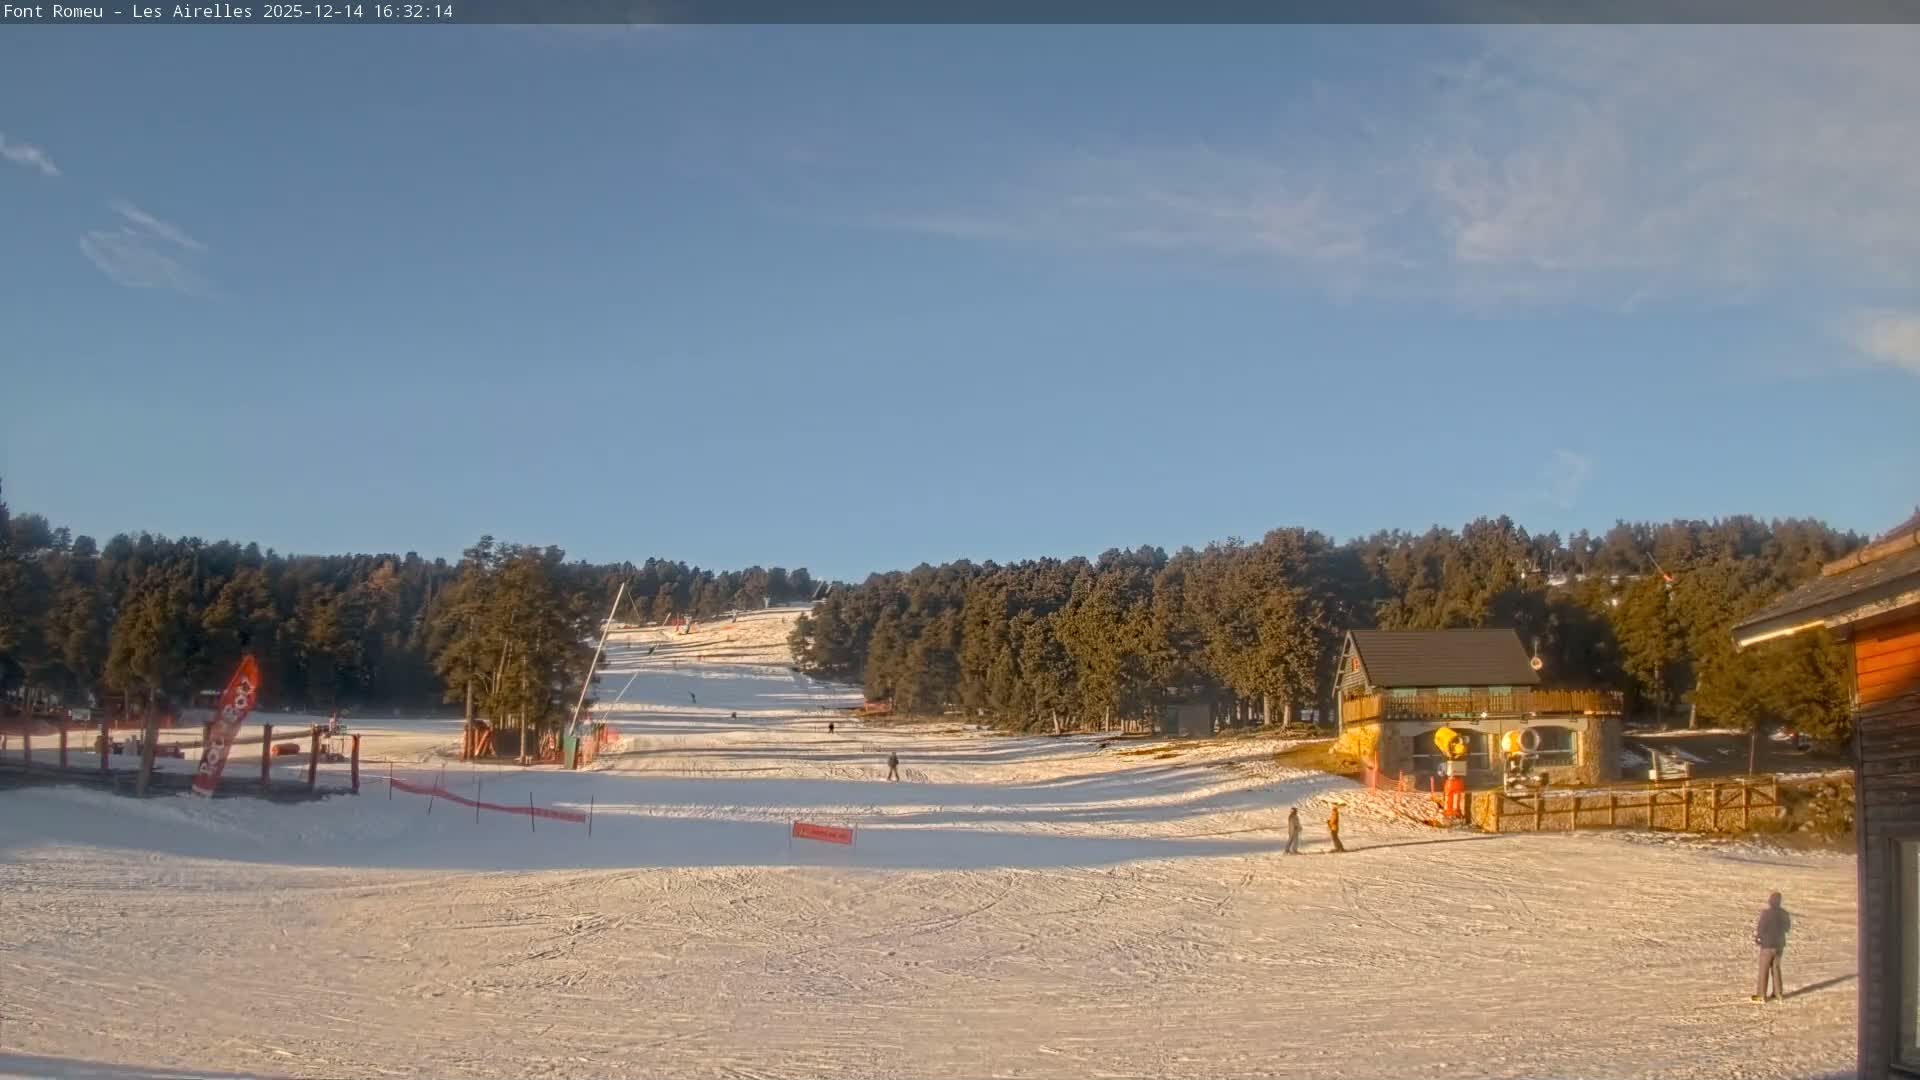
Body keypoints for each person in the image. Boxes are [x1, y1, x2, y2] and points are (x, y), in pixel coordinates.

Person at [1753, 891, 1791, 1002]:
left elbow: (1761, 928)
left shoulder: (1766, 913)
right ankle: (1778, 993)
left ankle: (1761, 995)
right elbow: (1787, 928)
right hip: (1779, 945)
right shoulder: (1784, 913)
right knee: (1776, 968)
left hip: (1767, 945)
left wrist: (1759, 938)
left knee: (1764, 970)